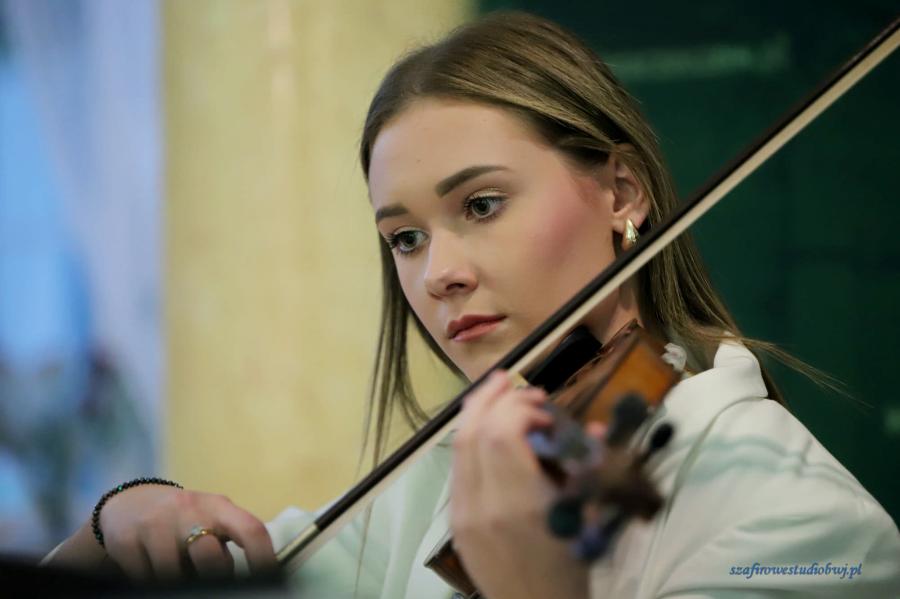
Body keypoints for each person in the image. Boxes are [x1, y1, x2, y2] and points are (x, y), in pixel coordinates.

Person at [43, 11, 900, 599]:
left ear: (622, 192)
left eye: (482, 205)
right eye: (405, 237)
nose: (437, 274)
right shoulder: (448, 476)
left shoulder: (804, 526)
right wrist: (121, 515)